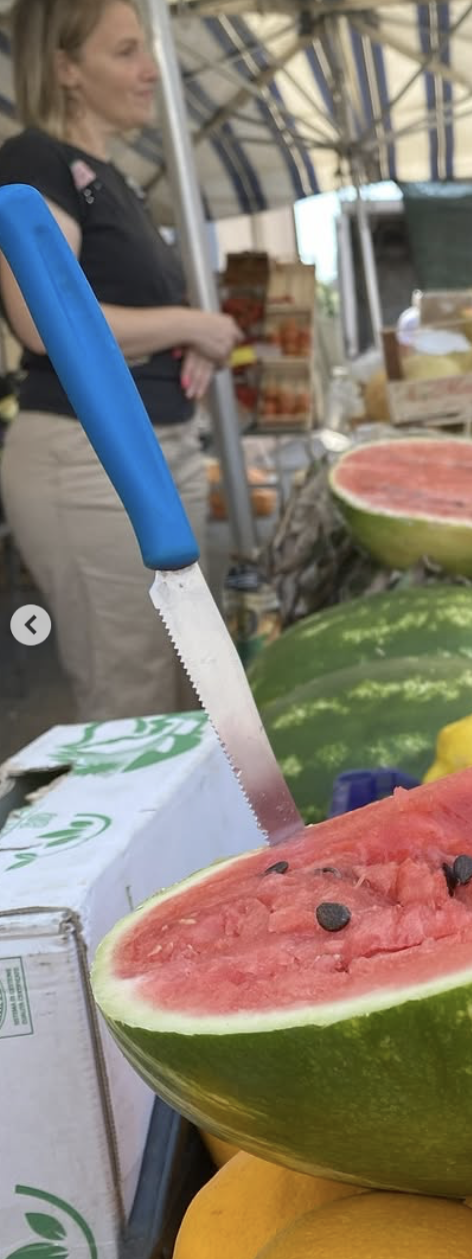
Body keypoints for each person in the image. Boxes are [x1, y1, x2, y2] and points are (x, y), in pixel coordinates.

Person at [0, 0, 241, 721]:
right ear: (67, 68)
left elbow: (121, 315)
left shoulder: (119, 180)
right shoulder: (36, 160)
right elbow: (43, 322)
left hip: (158, 448)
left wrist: (186, 347)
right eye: (126, 51)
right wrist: (194, 322)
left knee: (189, 696)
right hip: (88, 461)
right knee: (132, 703)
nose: (151, 70)